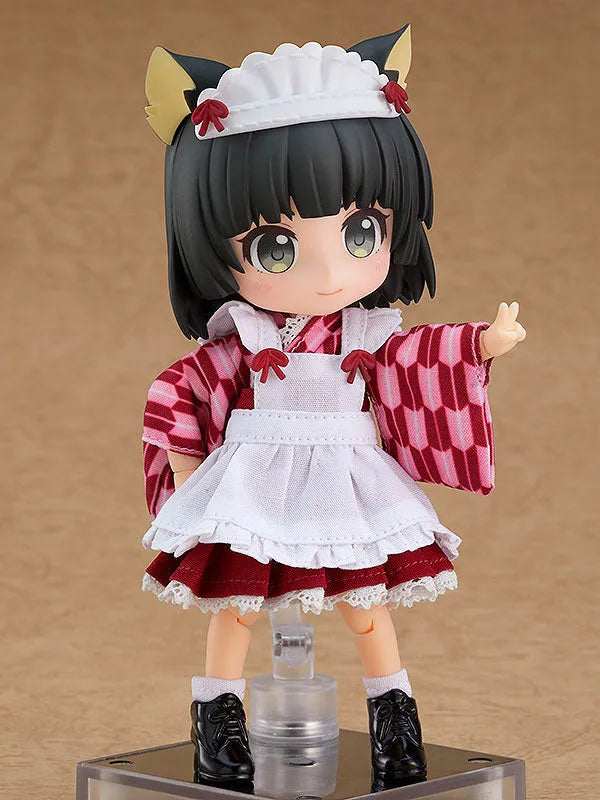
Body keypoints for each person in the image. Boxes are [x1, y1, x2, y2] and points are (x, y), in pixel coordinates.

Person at [141, 27, 526, 787]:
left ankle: (395, 718)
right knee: (237, 604)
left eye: (361, 231)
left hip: (347, 476)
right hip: (257, 474)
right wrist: (191, 481)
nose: (327, 274)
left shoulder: (365, 333)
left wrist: (480, 343)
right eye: (275, 248)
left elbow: (416, 359)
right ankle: (217, 718)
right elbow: (179, 390)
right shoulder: (248, 336)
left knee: (364, 604)